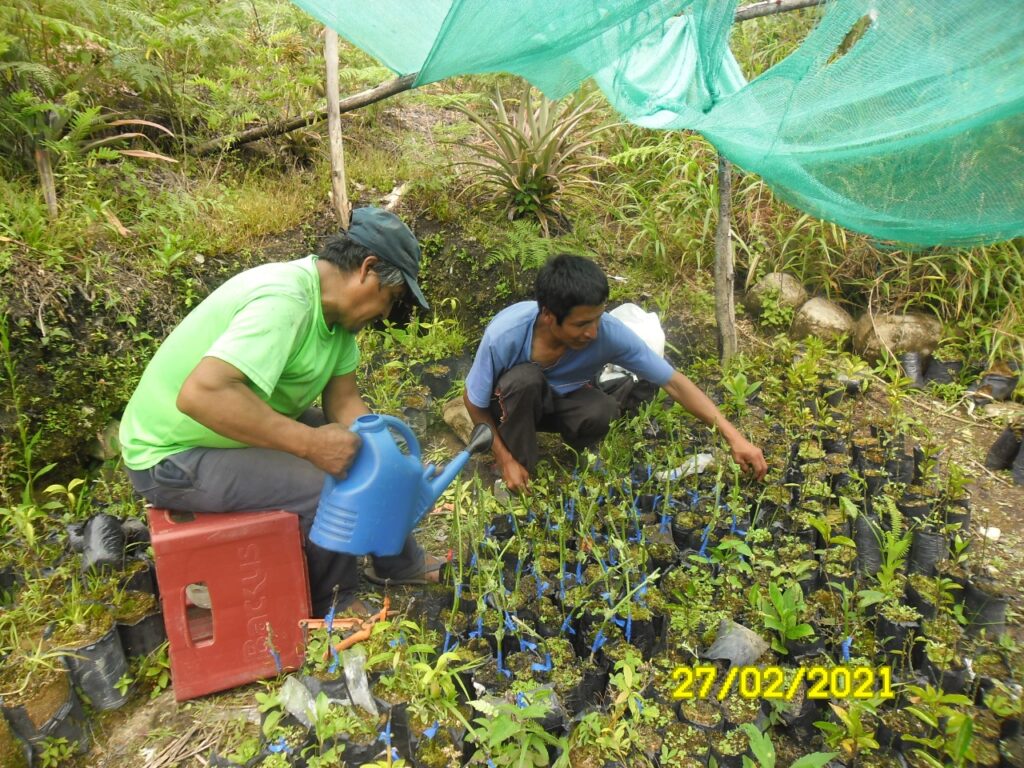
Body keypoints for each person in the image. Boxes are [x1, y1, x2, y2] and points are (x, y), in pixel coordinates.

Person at [119, 207, 444, 617]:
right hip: (171, 454)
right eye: (390, 299)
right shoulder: (284, 301)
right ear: (367, 268)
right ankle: (335, 601)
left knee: (362, 454)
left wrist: (387, 457)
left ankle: (396, 563)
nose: (385, 314)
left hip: (232, 429)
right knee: (322, 483)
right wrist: (310, 445)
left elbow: (343, 402)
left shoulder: (338, 324)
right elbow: (201, 395)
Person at [462, 254, 768, 493]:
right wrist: (505, 458)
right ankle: (516, 470)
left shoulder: (608, 333)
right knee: (524, 381)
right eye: (581, 324)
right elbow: (473, 401)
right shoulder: (507, 334)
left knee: (603, 408)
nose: (593, 332)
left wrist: (734, 437)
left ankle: (580, 454)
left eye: (597, 318)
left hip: (555, 402)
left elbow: (674, 383)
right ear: (549, 316)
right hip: (508, 405)